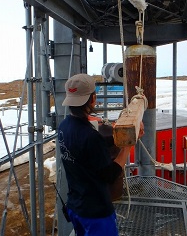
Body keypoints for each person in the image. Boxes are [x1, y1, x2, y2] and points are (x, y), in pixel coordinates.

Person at [58, 73, 144, 236]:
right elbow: (111, 174)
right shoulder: (90, 136)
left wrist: (116, 136)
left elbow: (85, 149)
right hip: (96, 212)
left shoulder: (64, 127)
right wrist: (128, 145)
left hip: (75, 206)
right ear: (92, 99)